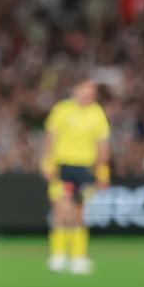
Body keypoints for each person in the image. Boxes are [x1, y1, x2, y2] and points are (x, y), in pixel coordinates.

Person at [41, 79, 111, 275]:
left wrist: (102, 171)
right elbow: (50, 138)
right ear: (76, 90)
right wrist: (48, 162)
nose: (88, 95)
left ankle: (78, 257)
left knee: (80, 214)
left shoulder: (97, 113)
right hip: (63, 166)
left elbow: (102, 145)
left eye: (92, 92)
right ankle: (58, 255)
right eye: (85, 90)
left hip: (86, 169)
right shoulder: (61, 110)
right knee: (61, 210)